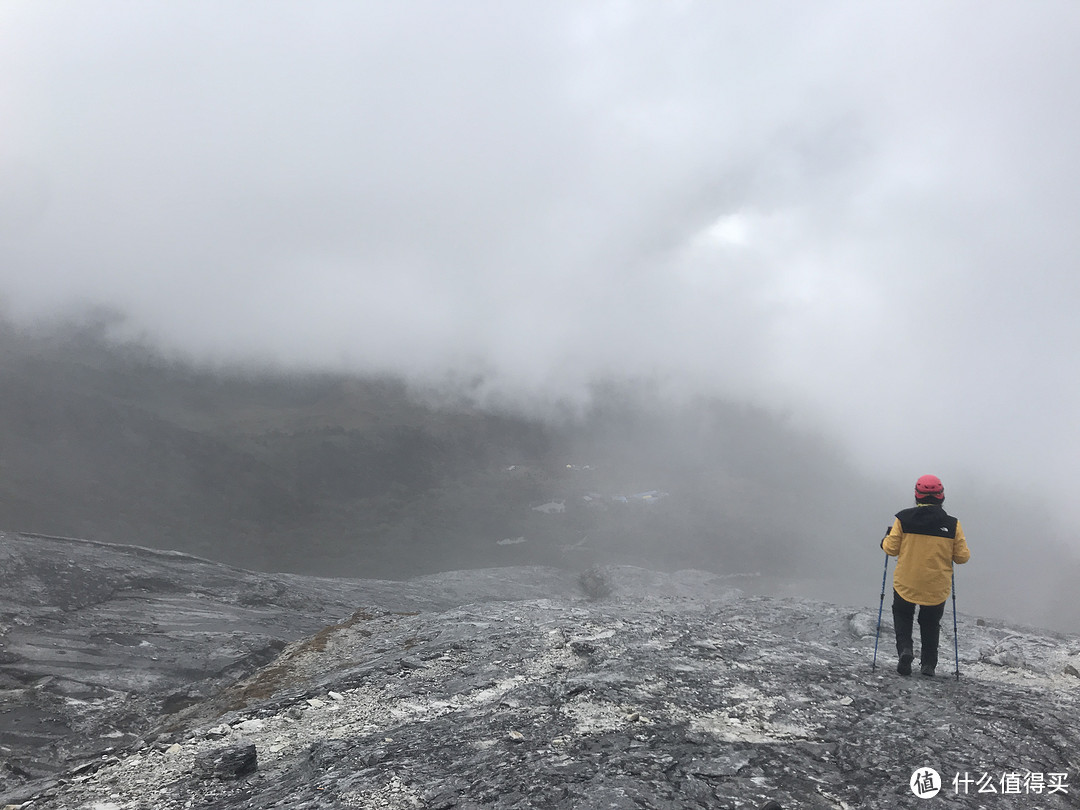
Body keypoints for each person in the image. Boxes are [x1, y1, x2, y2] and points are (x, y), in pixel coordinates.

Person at [881, 474, 970, 676]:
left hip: (907, 581)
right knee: (930, 623)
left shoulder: (902, 519)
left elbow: (891, 549)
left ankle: (905, 649)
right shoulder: (952, 525)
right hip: (936, 585)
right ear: (941, 496)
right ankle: (928, 664)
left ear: (917, 496)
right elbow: (962, 557)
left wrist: (885, 539)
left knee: (902, 614)